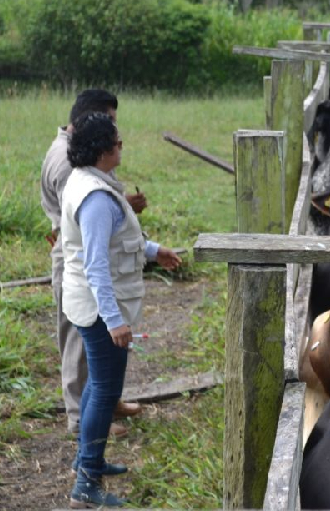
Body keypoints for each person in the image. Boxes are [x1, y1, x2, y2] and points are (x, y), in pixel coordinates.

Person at [62, 112, 181, 507]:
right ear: (101, 151)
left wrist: (153, 250)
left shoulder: (90, 183)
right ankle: (87, 483)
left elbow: (116, 240)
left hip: (90, 303)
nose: (121, 146)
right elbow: (96, 263)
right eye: (117, 141)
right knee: (104, 392)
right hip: (100, 310)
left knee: (98, 386)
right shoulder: (96, 198)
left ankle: (87, 461)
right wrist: (113, 320)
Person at [40, 89, 148, 437]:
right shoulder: (69, 167)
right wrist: (115, 319)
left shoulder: (84, 165)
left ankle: (105, 403)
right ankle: (80, 419)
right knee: (79, 343)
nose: (117, 138)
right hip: (75, 262)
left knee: (98, 358)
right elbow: (92, 245)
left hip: (85, 256)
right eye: (112, 128)